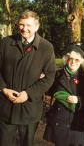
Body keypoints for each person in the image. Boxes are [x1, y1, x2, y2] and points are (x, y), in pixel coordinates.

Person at [0, 10, 56, 146]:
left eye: (28, 25)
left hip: (30, 108)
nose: (24, 29)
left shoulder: (46, 47)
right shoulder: (6, 43)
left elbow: (49, 76)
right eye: (21, 24)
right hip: (5, 107)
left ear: (36, 26)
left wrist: (28, 94)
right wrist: (3, 89)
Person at [43, 45, 84, 146]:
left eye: (77, 60)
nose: (73, 62)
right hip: (59, 121)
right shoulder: (56, 75)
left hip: (76, 123)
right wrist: (42, 78)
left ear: (81, 62)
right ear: (66, 59)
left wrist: (78, 100)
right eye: (70, 59)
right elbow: (47, 91)